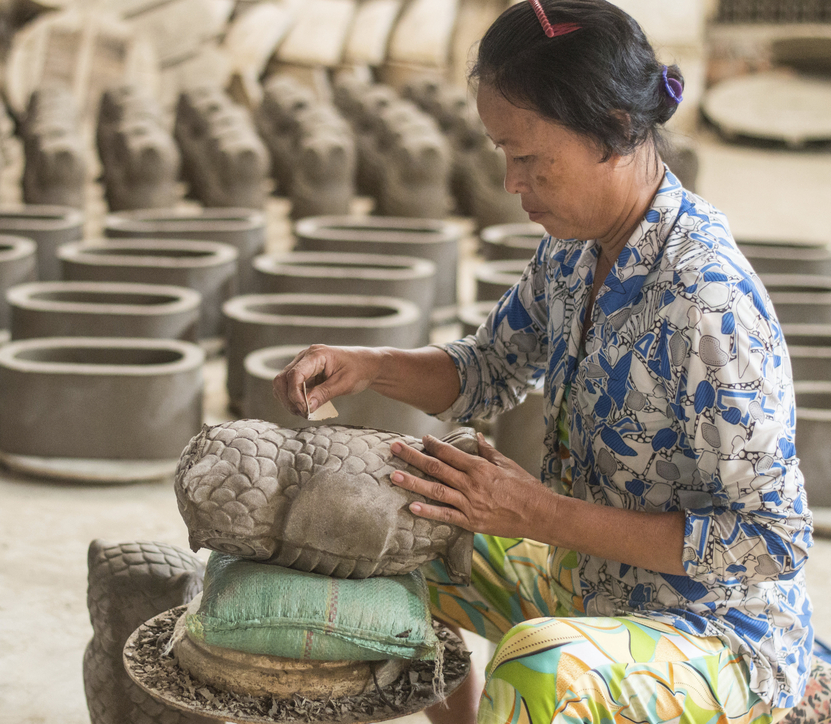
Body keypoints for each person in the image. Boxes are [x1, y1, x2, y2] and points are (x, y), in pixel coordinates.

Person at [273, 1, 814, 722]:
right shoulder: (573, 248)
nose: (510, 182)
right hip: (589, 578)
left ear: (613, 131)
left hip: (715, 632)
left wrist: (538, 512)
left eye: (528, 158)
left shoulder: (706, 299)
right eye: (502, 152)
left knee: (537, 664)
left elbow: (770, 541)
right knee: (393, 530)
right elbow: (486, 371)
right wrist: (369, 364)